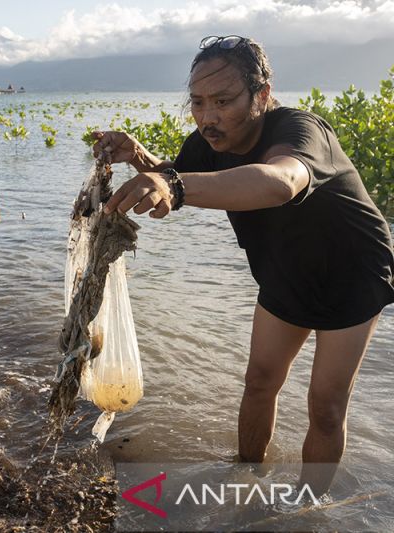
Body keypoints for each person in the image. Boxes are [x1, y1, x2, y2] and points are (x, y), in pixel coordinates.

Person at [93, 35, 394, 495]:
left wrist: (175, 187)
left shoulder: (298, 130)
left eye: (223, 101)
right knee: (258, 382)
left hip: (353, 273)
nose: (208, 116)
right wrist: (140, 157)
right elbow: (176, 173)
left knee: (326, 405)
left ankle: (305, 507)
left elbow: (279, 181)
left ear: (262, 96)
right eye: (196, 102)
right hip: (285, 269)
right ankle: (246, 479)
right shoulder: (211, 139)